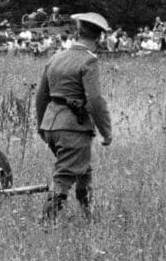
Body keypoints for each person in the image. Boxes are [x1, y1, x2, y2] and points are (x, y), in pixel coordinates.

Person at [35, 12, 113, 221]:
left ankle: (90, 217)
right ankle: (46, 223)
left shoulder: (55, 58)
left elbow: (41, 96)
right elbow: (95, 100)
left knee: (83, 170)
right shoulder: (89, 61)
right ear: (99, 37)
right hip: (73, 128)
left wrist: (42, 126)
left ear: (78, 32)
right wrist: (106, 132)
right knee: (65, 174)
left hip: (52, 125)